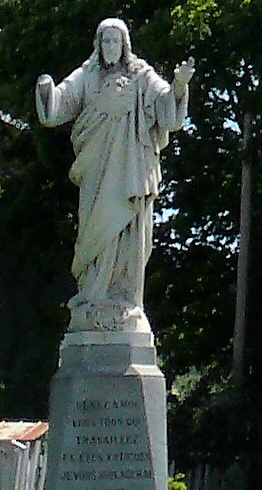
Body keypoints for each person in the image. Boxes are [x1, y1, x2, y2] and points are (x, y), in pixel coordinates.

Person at [34, 19, 193, 313]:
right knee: (94, 230)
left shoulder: (142, 76)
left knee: (129, 233)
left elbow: (167, 109)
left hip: (131, 169)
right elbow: (60, 102)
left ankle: (123, 298)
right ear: (98, 45)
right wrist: (46, 91)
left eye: (115, 42)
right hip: (96, 168)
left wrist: (179, 84)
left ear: (124, 45)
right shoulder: (88, 75)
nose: (110, 47)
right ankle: (93, 292)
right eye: (105, 41)